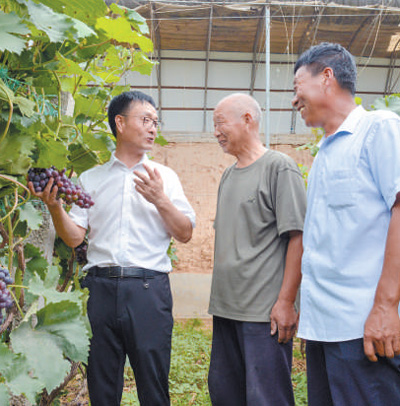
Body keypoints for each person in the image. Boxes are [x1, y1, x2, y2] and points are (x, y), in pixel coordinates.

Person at [28, 90, 195, 406]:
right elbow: (75, 238)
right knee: (102, 388)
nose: (153, 128)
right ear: (120, 122)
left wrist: (160, 198)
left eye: (156, 122)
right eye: (145, 120)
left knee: (154, 387)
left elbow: (185, 232)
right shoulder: (91, 178)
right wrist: (54, 208)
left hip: (149, 291)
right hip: (100, 290)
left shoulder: (166, 178)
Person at [292, 42, 400, 406]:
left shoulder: (379, 129)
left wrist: (386, 307)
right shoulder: (325, 152)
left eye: (297, 88)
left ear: (326, 78)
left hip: (364, 329)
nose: (295, 100)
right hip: (325, 330)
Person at [207, 93, 307, 406]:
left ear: (248, 119)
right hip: (225, 309)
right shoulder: (228, 174)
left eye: (221, 122)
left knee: (267, 398)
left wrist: (286, 302)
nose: (216, 131)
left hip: (263, 314)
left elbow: (298, 237)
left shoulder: (279, 167)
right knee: (225, 394)